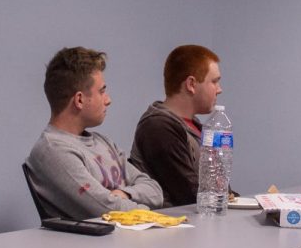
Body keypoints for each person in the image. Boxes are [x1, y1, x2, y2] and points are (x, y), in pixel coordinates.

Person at [26, 47, 163, 219]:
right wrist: (152, 213)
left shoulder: (103, 142)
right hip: (93, 245)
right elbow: (106, 209)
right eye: (102, 91)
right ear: (80, 100)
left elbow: (155, 191)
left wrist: (124, 193)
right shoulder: (53, 151)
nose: (108, 100)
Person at [130, 45, 223, 207]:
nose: (219, 90)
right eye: (214, 82)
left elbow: (219, 187)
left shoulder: (196, 127)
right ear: (191, 84)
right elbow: (191, 195)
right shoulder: (158, 127)